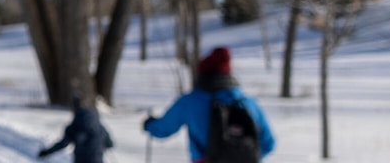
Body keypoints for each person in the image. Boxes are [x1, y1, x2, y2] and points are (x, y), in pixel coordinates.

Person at [143, 47, 276, 163]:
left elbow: (163, 129)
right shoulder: (248, 103)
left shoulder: (190, 102)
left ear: (202, 75)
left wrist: (149, 125)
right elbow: (268, 143)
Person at [37, 91, 112, 163]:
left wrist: (47, 152)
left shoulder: (74, 127)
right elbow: (110, 144)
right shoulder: (100, 128)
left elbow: (63, 144)